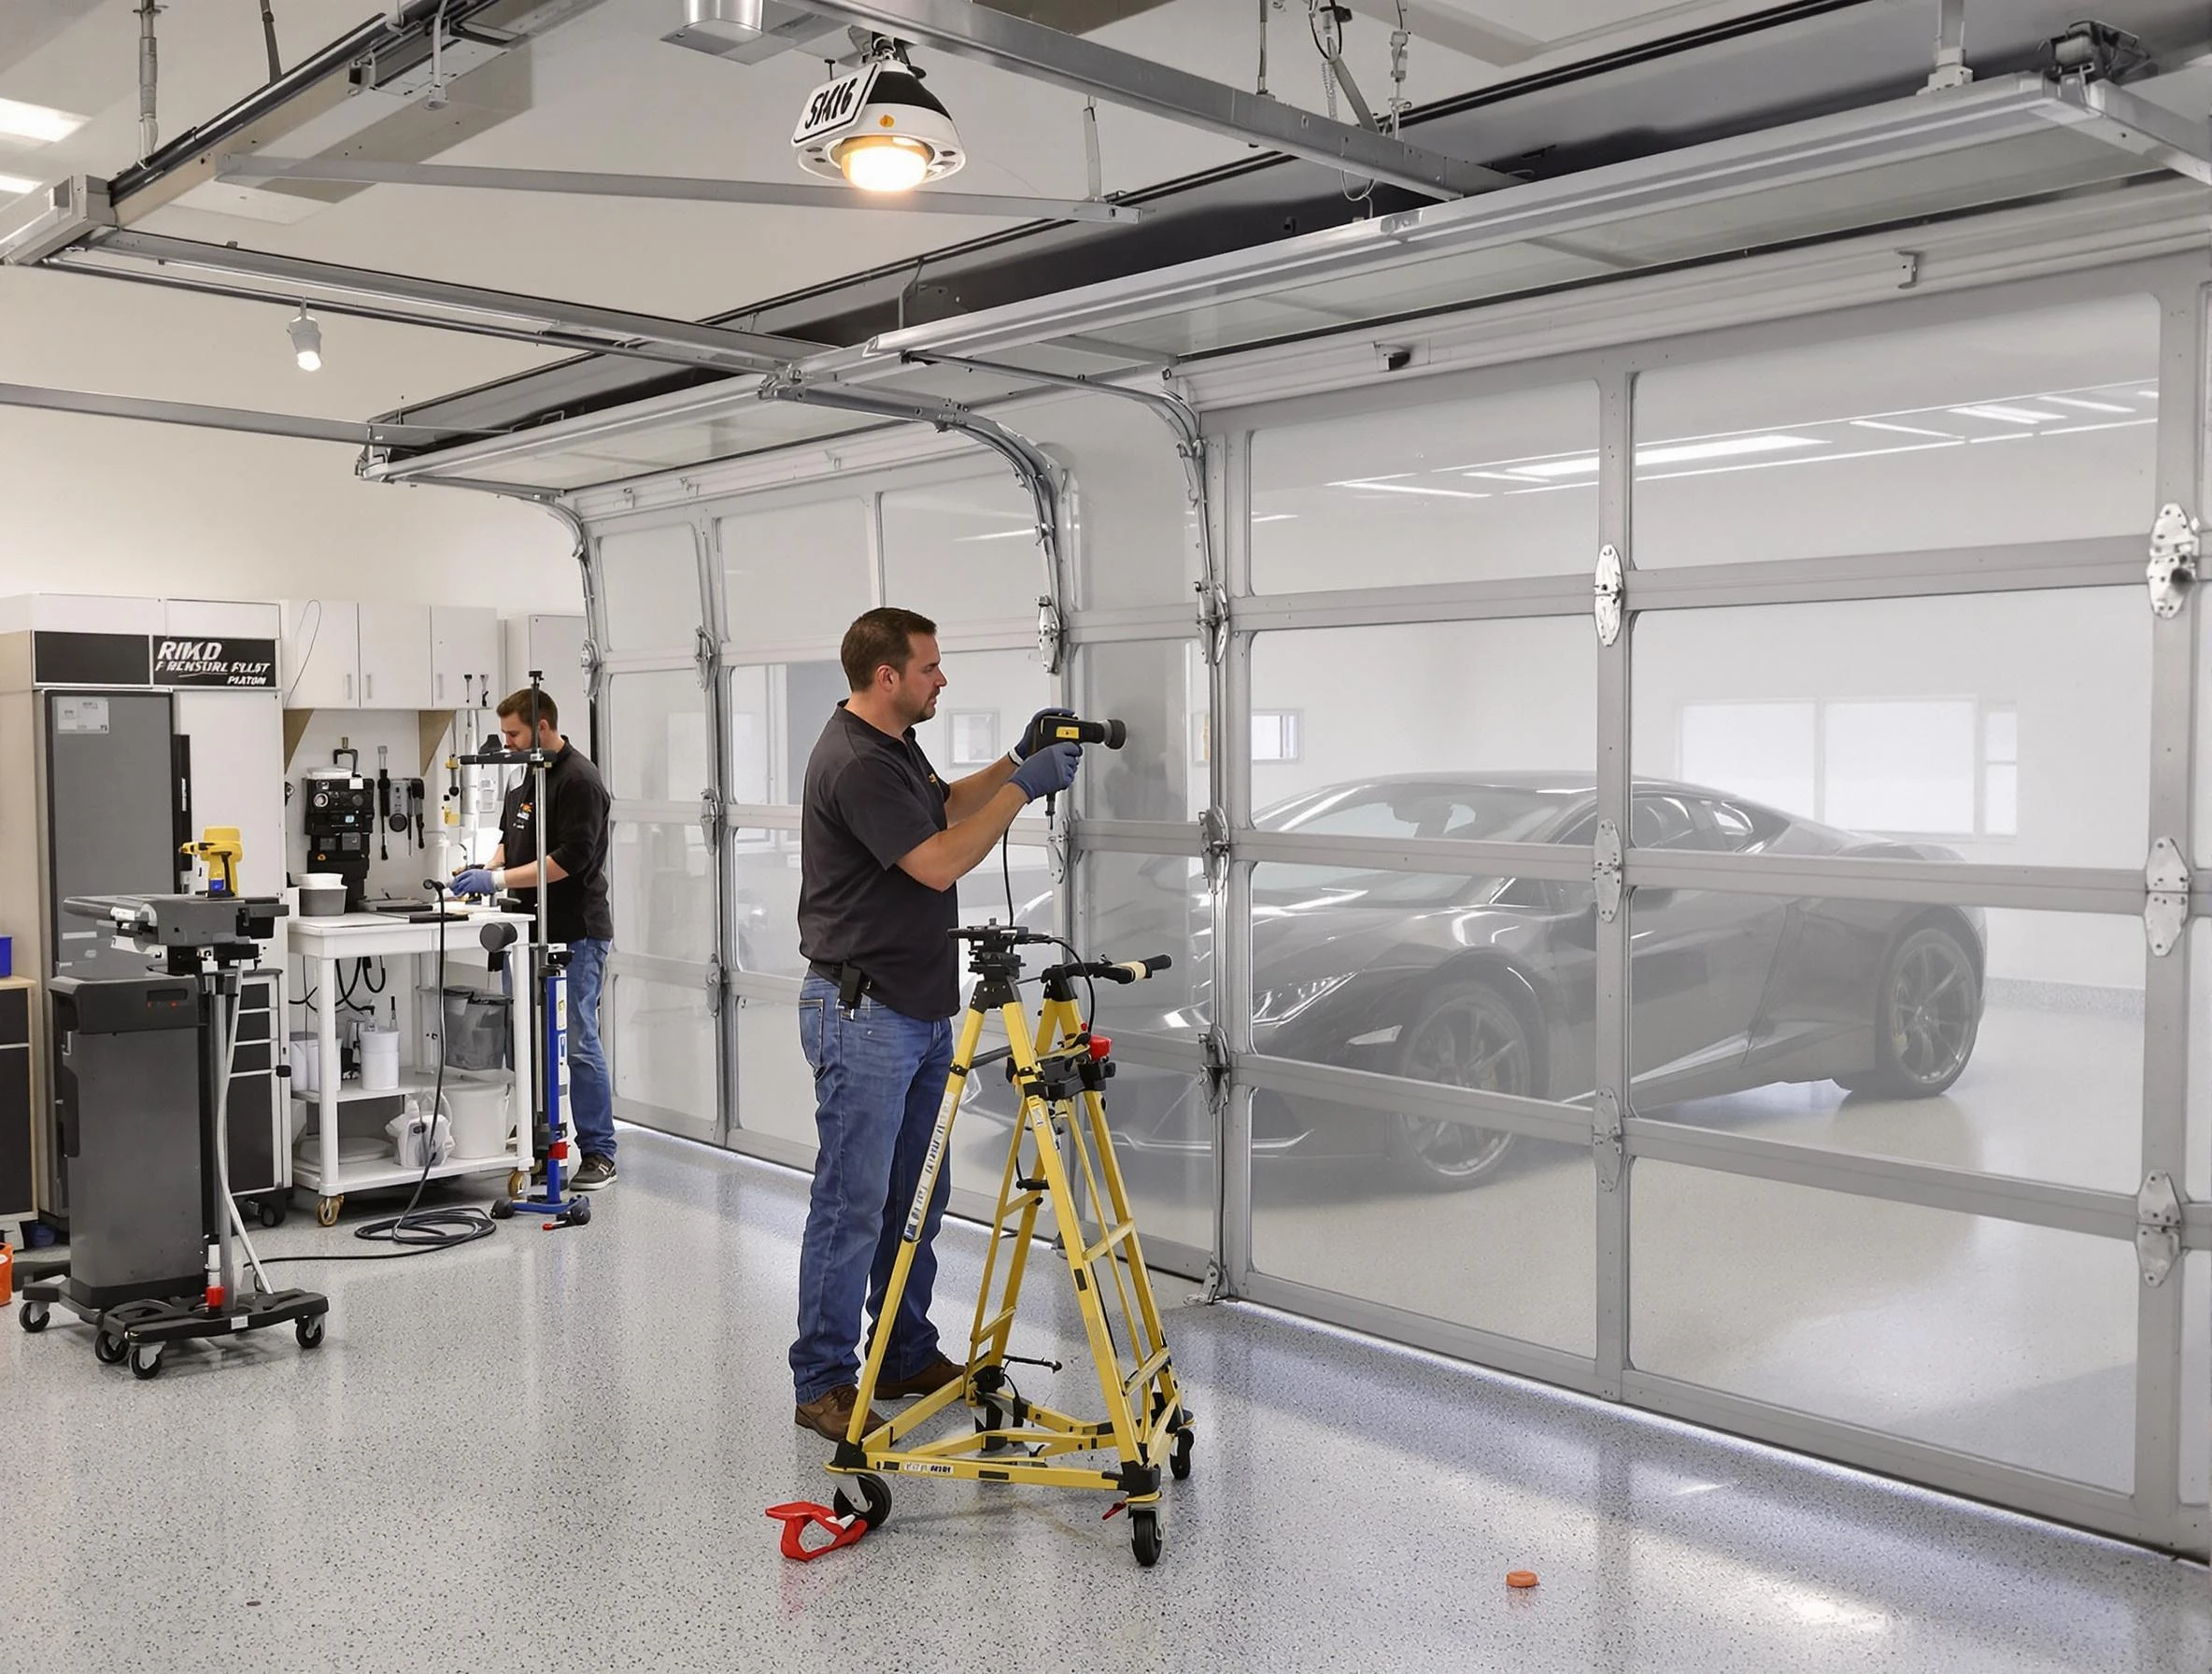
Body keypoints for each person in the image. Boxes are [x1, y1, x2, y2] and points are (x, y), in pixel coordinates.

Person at [789, 606, 1084, 1441]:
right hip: (863, 1012)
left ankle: (905, 1348)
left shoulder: (890, 747)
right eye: (929, 669)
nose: (941, 680)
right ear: (886, 677)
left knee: (917, 1194)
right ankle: (822, 1380)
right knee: (853, 1201)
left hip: (914, 1008)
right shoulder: (852, 762)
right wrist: (1025, 793)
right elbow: (939, 859)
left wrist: (1014, 761)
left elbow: (945, 805)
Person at [449, 689, 618, 1192]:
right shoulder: (526, 777)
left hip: (575, 933)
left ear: (543, 727)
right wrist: (486, 867)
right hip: (527, 931)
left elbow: (568, 861)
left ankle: (599, 1150)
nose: (507, 743)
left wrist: (498, 883)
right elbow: (510, 837)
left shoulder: (578, 781)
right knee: (528, 1036)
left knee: (579, 1041)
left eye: (514, 734)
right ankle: (540, 1135)